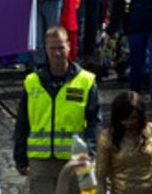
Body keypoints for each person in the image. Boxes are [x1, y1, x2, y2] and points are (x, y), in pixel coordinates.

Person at [13, 26, 100, 193]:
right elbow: (22, 122)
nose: (57, 53)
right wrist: (20, 156)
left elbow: (95, 122)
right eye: (52, 48)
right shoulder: (32, 82)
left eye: (61, 47)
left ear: (69, 46)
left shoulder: (86, 81)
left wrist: (90, 152)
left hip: (75, 158)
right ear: (45, 49)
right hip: (41, 161)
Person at [94, 91, 152, 194]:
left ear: (140, 116)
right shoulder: (107, 137)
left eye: (133, 118)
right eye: (124, 119)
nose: (129, 123)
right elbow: (100, 177)